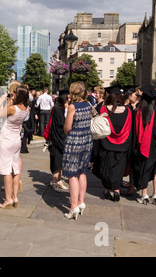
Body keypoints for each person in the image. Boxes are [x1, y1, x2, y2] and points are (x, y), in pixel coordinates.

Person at [92, 85, 133, 202]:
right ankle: (117, 190)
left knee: (106, 167)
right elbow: (131, 130)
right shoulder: (129, 111)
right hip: (123, 144)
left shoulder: (103, 109)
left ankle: (107, 189)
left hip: (106, 143)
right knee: (119, 168)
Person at [133, 85, 156, 205]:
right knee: (155, 168)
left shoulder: (139, 111)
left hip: (144, 144)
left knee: (145, 167)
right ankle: (155, 193)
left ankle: (144, 194)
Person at [62, 81, 93, 220]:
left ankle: (73, 206)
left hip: (75, 140)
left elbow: (67, 127)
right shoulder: (88, 104)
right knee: (82, 171)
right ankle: (81, 202)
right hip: (87, 140)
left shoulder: (72, 107)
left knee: (72, 174)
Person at [0, 86, 29, 209]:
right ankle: (15, 196)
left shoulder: (11, 108)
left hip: (6, 140)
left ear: (18, 95)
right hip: (16, 140)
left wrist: (1, 100)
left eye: (14, 93)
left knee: (6, 171)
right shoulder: (26, 109)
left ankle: (8, 199)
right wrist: (10, 101)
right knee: (15, 169)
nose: (12, 94)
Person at [48, 90, 69, 192]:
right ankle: (54, 182)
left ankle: (59, 180)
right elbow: (61, 125)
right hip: (58, 140)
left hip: (60, 139)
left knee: (60, 163)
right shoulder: (57, 109)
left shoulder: (59, 109)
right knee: (57, 163)